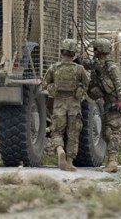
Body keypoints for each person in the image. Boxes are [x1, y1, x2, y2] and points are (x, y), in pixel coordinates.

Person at [43, 38, 90, 172]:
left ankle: (59, 149)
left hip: (59, 104)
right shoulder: (79, 69)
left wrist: (53, 89)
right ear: (74, 53)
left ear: (61, 52)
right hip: (74, 105)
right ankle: (69, 162)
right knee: (73, 134)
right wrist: (80, 90)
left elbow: (45, 84)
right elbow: (87, 84)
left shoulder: (54, 68)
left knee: (56, 131)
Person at [84, 37, 121, 173]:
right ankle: (111, 161)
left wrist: (120, 100)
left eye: (95, 49)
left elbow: (118, 84)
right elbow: (88, 65)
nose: (94, 51)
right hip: (108, 103)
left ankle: (113, 162)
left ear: (101, 50)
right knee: (106, 133)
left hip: (114, 103)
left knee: (112, 132)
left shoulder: (111, 67)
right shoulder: (99, 64)